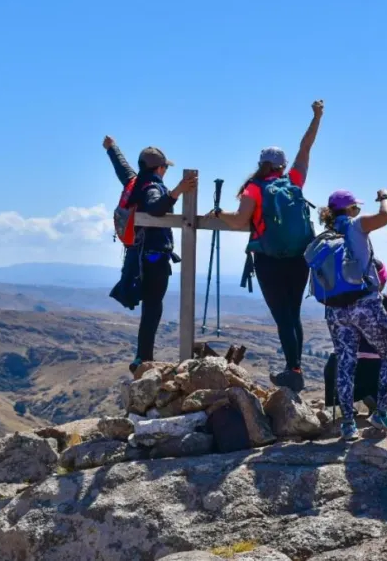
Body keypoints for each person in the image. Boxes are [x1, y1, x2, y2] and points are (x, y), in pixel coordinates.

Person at [211, 100, 324, 392]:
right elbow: (306, 147)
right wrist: (317, 116)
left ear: (261, 163)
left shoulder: (254, 188)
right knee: (293, 313)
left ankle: (293, 371)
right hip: (299, 258)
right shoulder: (294, 181)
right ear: (282, 166)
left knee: (282, 316)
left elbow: (240, 220)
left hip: (268, 260)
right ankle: (295, 368)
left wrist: (219, 214)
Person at [103, 136, 197, 373]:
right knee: (153, 309)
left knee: (150, 307)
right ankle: (143, 358)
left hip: (136, 256)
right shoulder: (153, 187)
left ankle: (142, 357)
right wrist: (178, 191)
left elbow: (122, 167)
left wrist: (112, 148)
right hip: (154, 259)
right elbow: (156, 208)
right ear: (159, 168)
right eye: (165, 167)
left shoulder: (134, 182)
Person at [313, 189, 387, 439]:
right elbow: (386, 216)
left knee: (345, 361)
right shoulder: (355, 225)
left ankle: (348, 424)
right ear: (350, 209)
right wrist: (385, 196)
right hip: (365, 304)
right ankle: (381, 413)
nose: (358, 211)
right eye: (356, 207)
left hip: (335, 309)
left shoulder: (326, 236)